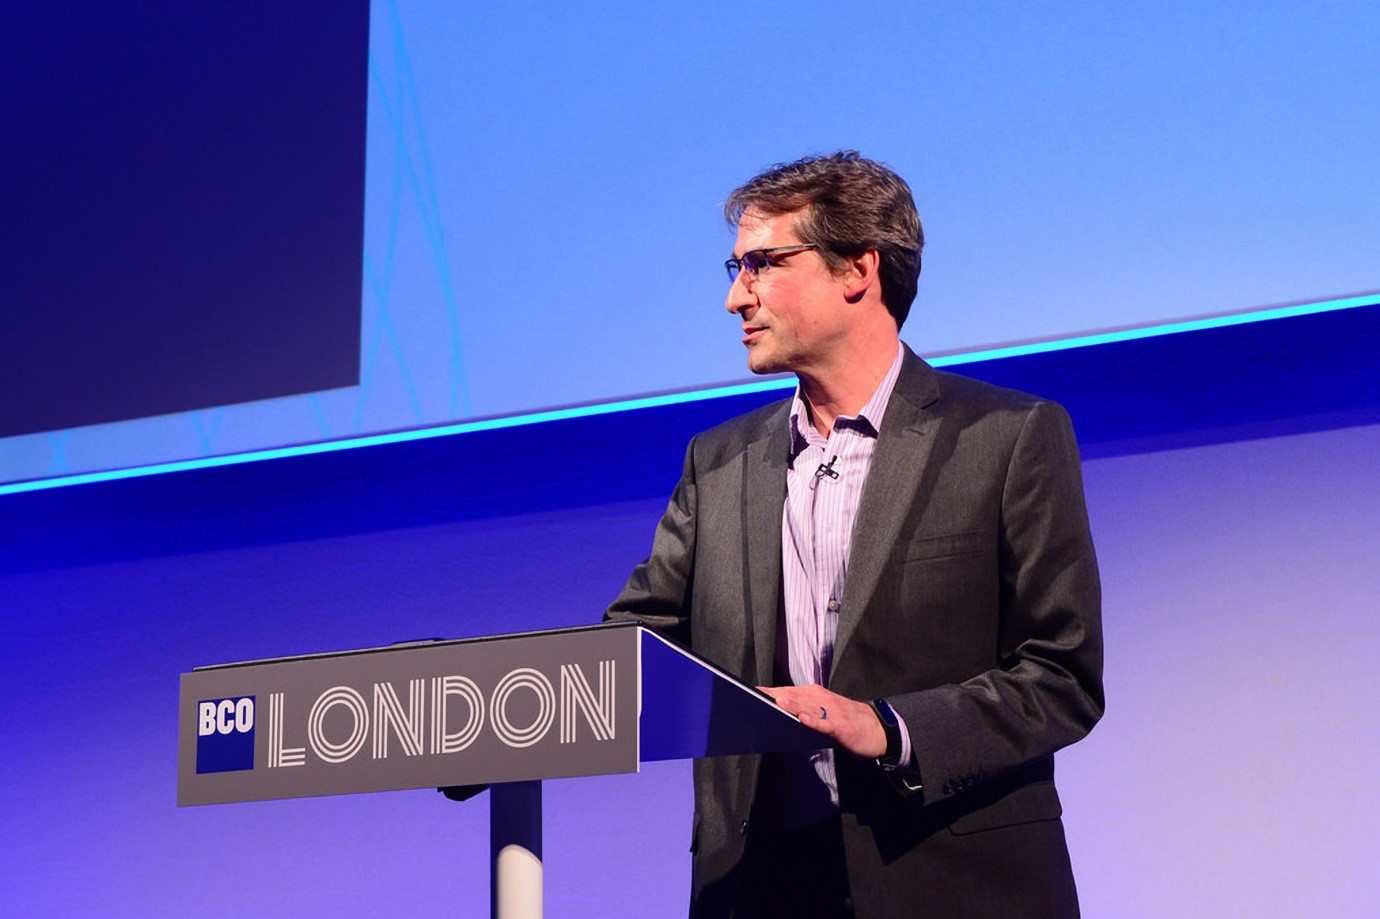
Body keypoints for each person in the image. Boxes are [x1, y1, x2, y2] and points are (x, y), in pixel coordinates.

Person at [605, 151, 1103, 918]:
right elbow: (636, 645)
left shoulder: (1008, 437)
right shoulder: (719, 460)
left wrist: (885, 724)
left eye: (763, 264)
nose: (736, 297)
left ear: (858, 270)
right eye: (737, 267)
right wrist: (503, 722)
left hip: (956, 878)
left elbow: (1062, 675)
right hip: (763, 884)